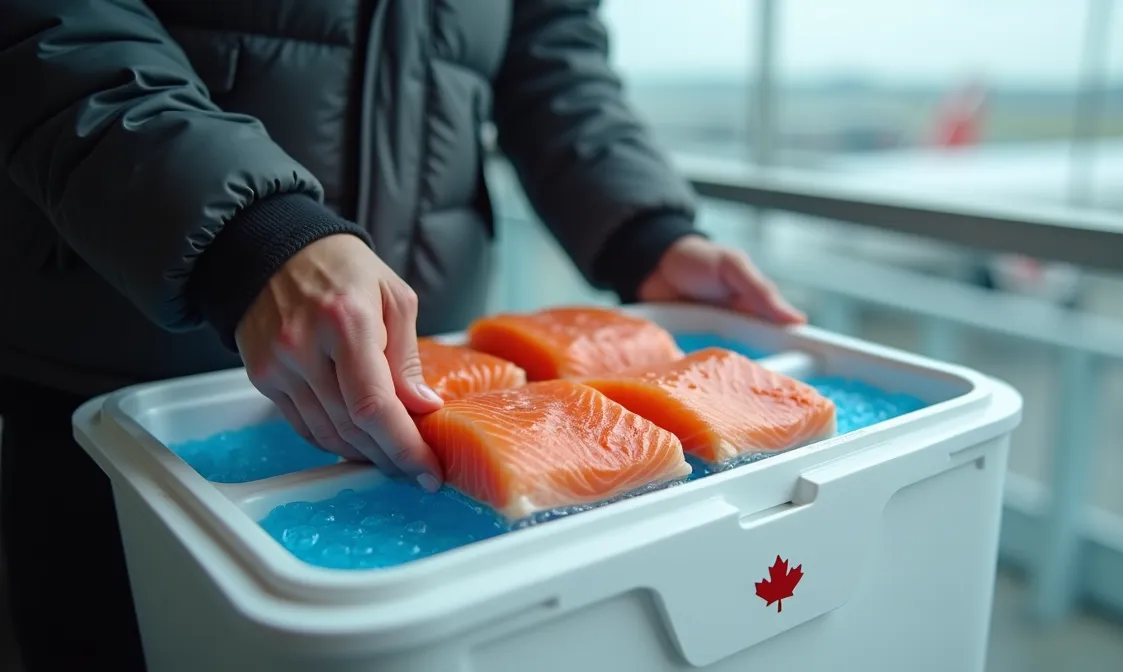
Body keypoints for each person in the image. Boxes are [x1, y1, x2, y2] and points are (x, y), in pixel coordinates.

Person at [0, 0, 804, 668]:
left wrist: (646, 235)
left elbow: (551, 53)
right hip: (116, 362)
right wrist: (251, 234)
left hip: (431, 367)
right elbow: (56, 23)